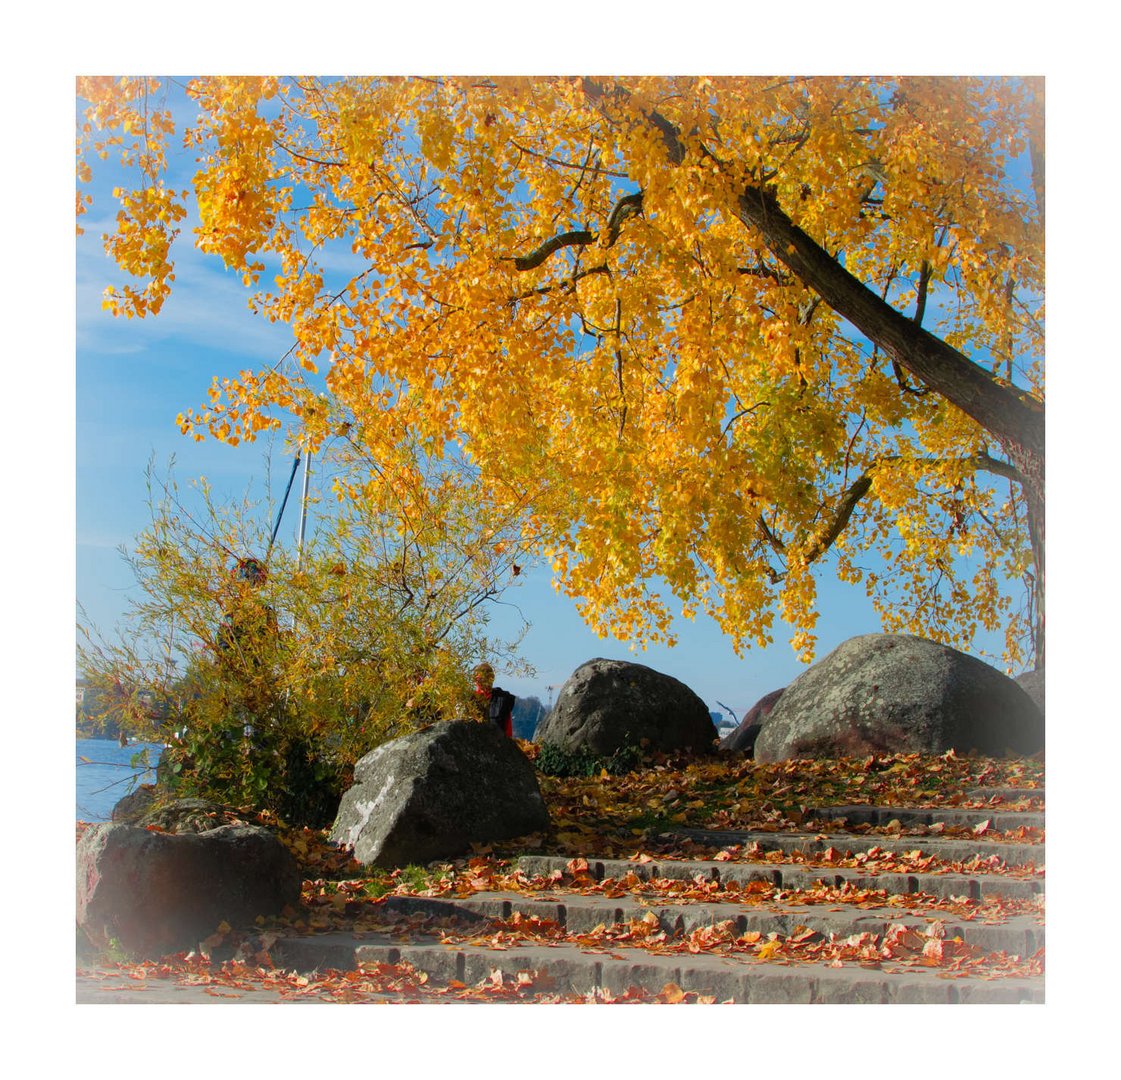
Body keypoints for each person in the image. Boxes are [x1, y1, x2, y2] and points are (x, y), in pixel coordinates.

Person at [472, 662, 516, 738]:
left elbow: (508, 731)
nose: (483, 681)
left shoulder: (502, 699)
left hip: (497, 746)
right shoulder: (469, 699)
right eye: (479, 679)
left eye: (487, 677)